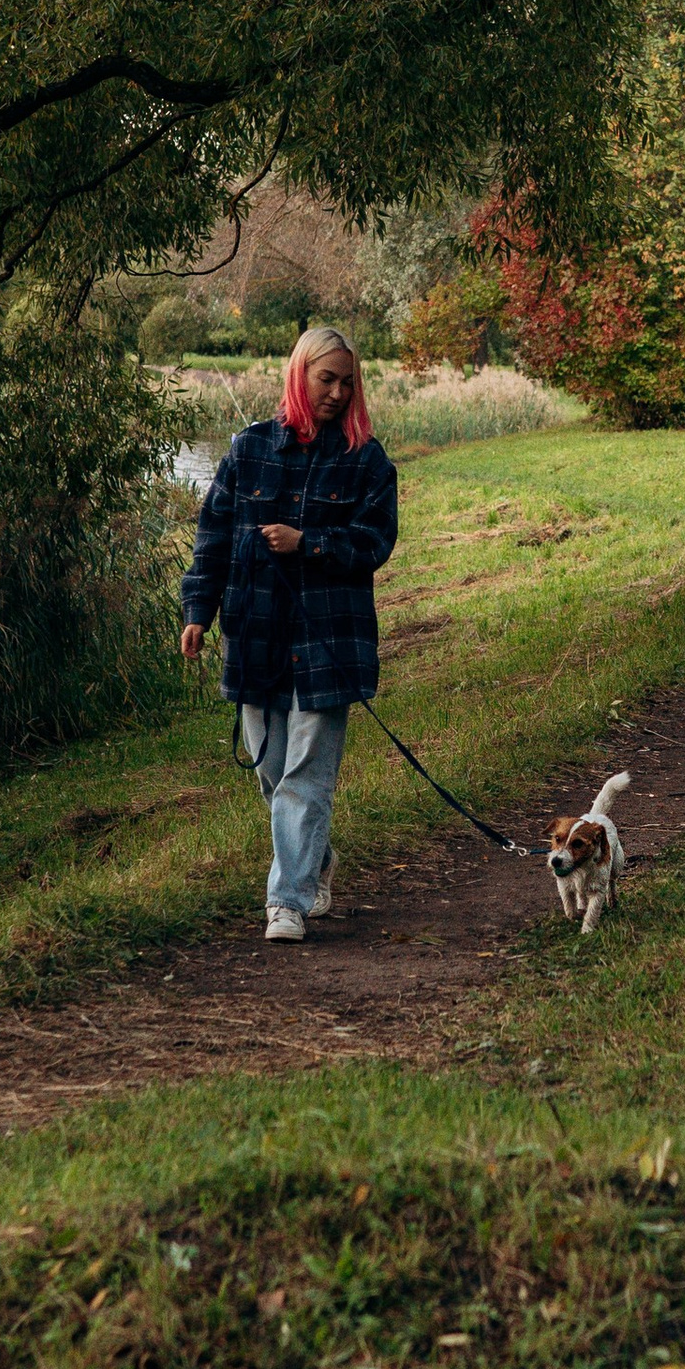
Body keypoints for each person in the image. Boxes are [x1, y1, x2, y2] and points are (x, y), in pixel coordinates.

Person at [180, 325, 399, 943]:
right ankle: (314, 858)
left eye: (346, 383)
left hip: (332, 642)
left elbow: (374, 544)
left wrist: (312, 543)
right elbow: (213, 538)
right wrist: (198, 610)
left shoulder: (366, 461)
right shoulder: (248, 450)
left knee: (307, 778)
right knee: (271, 772)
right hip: (256, 634)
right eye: (325, 378)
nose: (335, 393)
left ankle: (288, 902)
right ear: (299, 376)